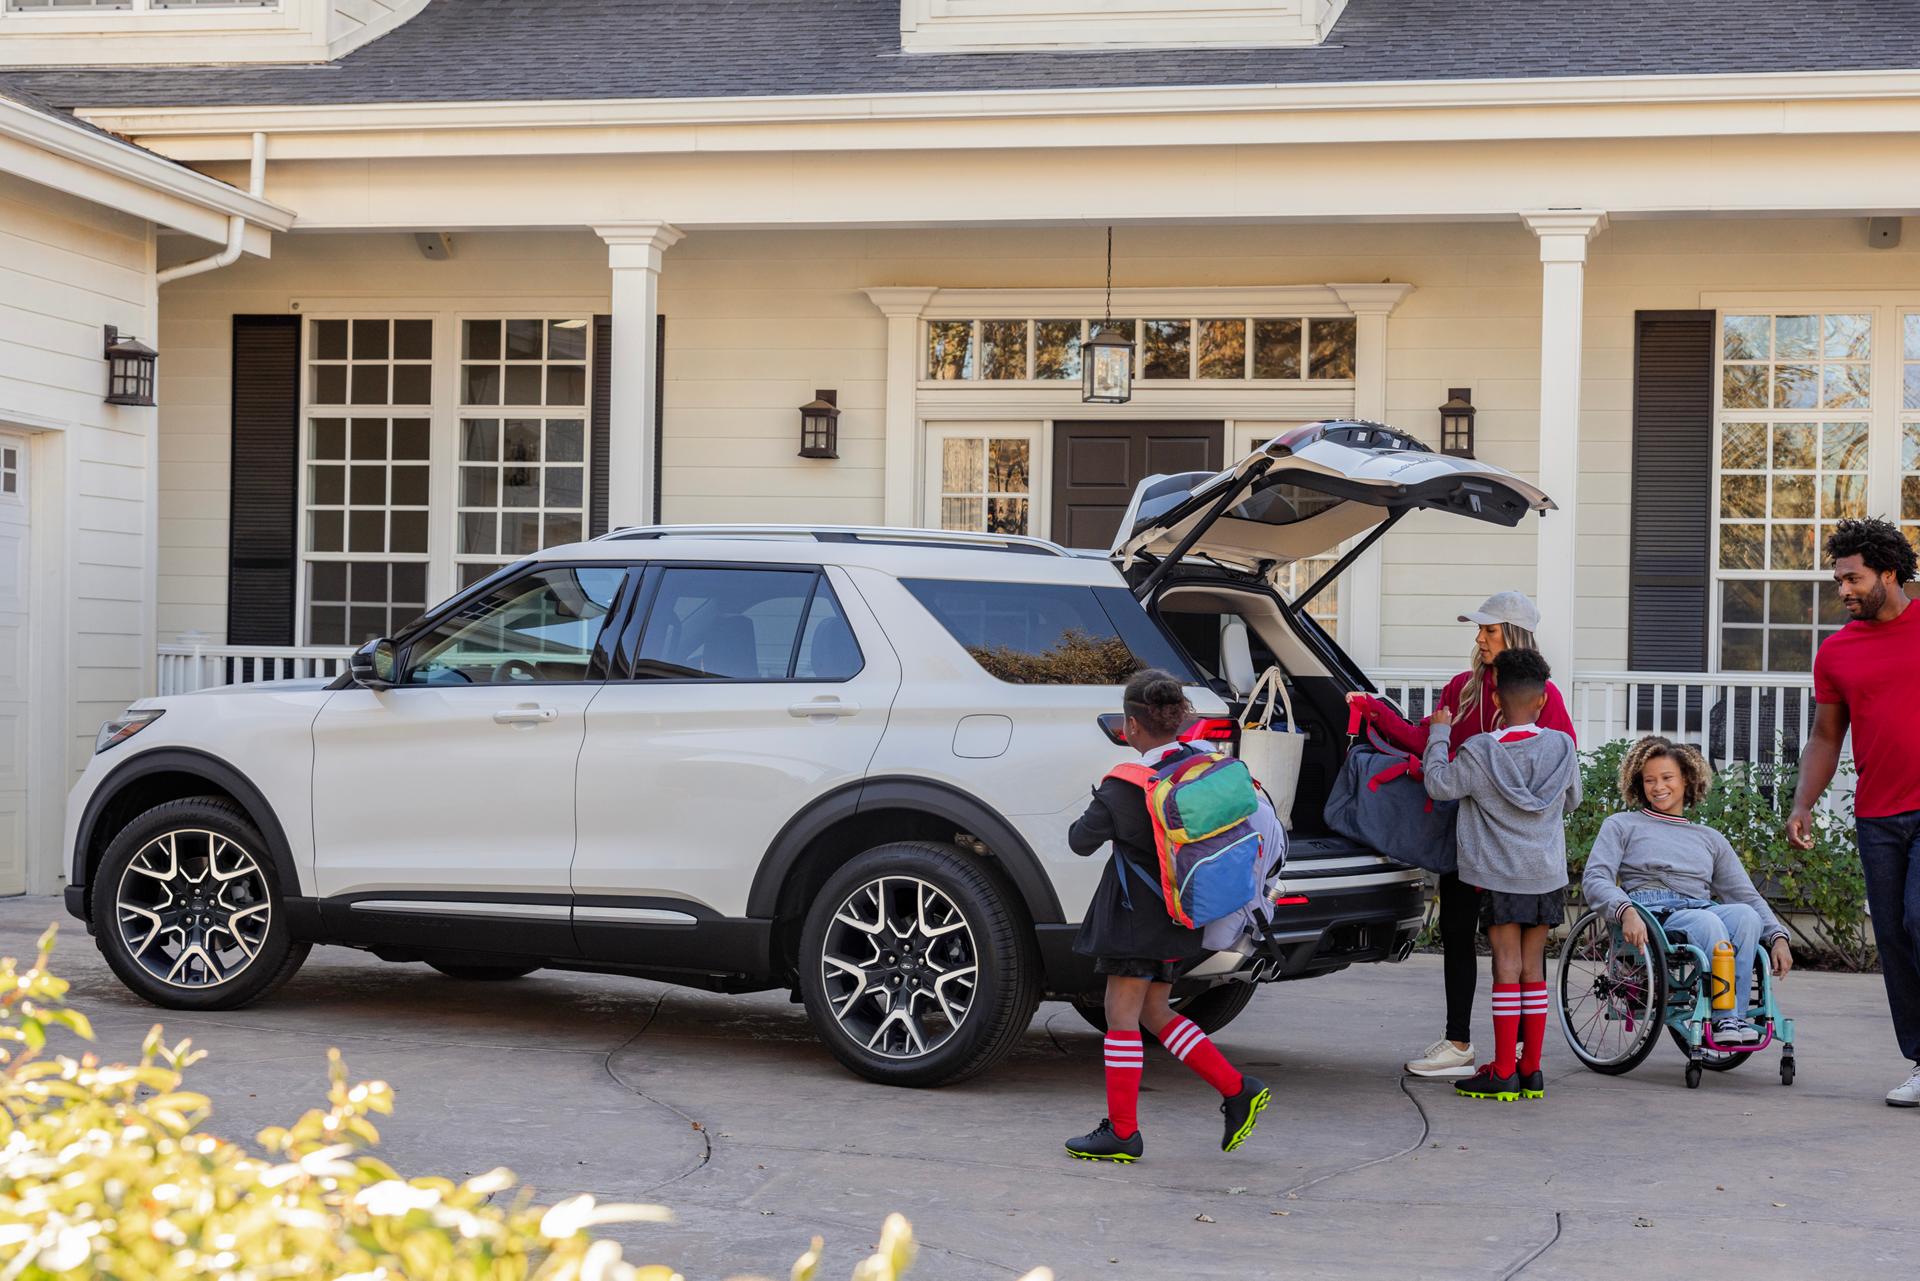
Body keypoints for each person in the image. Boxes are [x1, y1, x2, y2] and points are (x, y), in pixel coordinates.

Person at [1345, 590, 1576, 1079]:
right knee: (1457, 933)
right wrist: (1377, 713)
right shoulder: (1462, 687)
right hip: (1466, 838)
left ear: (1514, 634)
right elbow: (1426, 737)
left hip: (1510, 850)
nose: (1479, 639)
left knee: (1511, 958)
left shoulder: (1543, 695)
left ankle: (1515, 1055)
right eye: (1479, 630)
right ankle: (1461, 1044)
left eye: (1489, 630)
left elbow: (1553, 767)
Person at [1062, 669, 1270, 1162]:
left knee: (1121, 1016)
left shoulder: (1125, 785)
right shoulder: (1196, 767)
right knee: (1155, 1012)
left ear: (1132, 726)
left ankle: (1122, 1132)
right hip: (1183, 910)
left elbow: (1079, 841)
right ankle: (1237, 1089)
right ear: (1177, 719)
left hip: (1134, 918)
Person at [1786, 517, 1920, 1108]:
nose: (1843, 590)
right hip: (1878, 817)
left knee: (1919, 919)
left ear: (1889, 574)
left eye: (1853, 579)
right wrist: (1802, 803)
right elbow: (1825, 736)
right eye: (1838, 580)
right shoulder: (1837, 652)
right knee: (1892, 938)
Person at [1418, 648, 1581, 1102]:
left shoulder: (1478, 752)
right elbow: (1571, 800)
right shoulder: (1562, 747)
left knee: (1506, 967)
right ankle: (1532, 1070)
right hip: (1546, 876)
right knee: (1533, 968)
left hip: (1501, 876)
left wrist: (1439, 734)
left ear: (1494, 698)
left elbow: (1438, 784)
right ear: (1543, 700)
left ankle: (1504, 1070)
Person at [1583, 737, 1792, 1046]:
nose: (1658, 787)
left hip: (1699, 907)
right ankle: (1724, 1018)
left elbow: (1745, 895)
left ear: (1687, 780)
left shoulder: (1710, 838)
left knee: (1746, 916)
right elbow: (1595, 878)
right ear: (1639, 784)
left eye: (1667, 777)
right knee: (1709, 923)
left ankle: (1732, 1017)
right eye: (1650, 780)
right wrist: (1624, 910)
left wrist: (1777, 937)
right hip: (1652, 913)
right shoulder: (1621, 825)